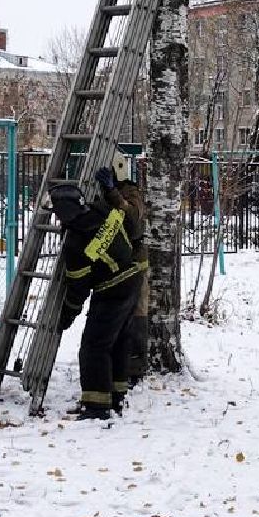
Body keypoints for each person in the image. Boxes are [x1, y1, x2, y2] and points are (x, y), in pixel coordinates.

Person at [48, 180, 144, 420]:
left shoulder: (76, 241)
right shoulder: (101, 209)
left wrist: (67, 316)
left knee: (94, 347)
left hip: (112, 290)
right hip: (133, 278)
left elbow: (77, 288)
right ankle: (117, 396)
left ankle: (96, 406)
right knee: (119, 340)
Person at [94, 152, 149, 390]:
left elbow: (133, 223)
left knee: (135, 317)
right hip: (112, 265)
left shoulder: (131, 192)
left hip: (134, 265)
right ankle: (115, 367)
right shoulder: (102, 194)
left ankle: (134, 369)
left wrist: (112, 193)